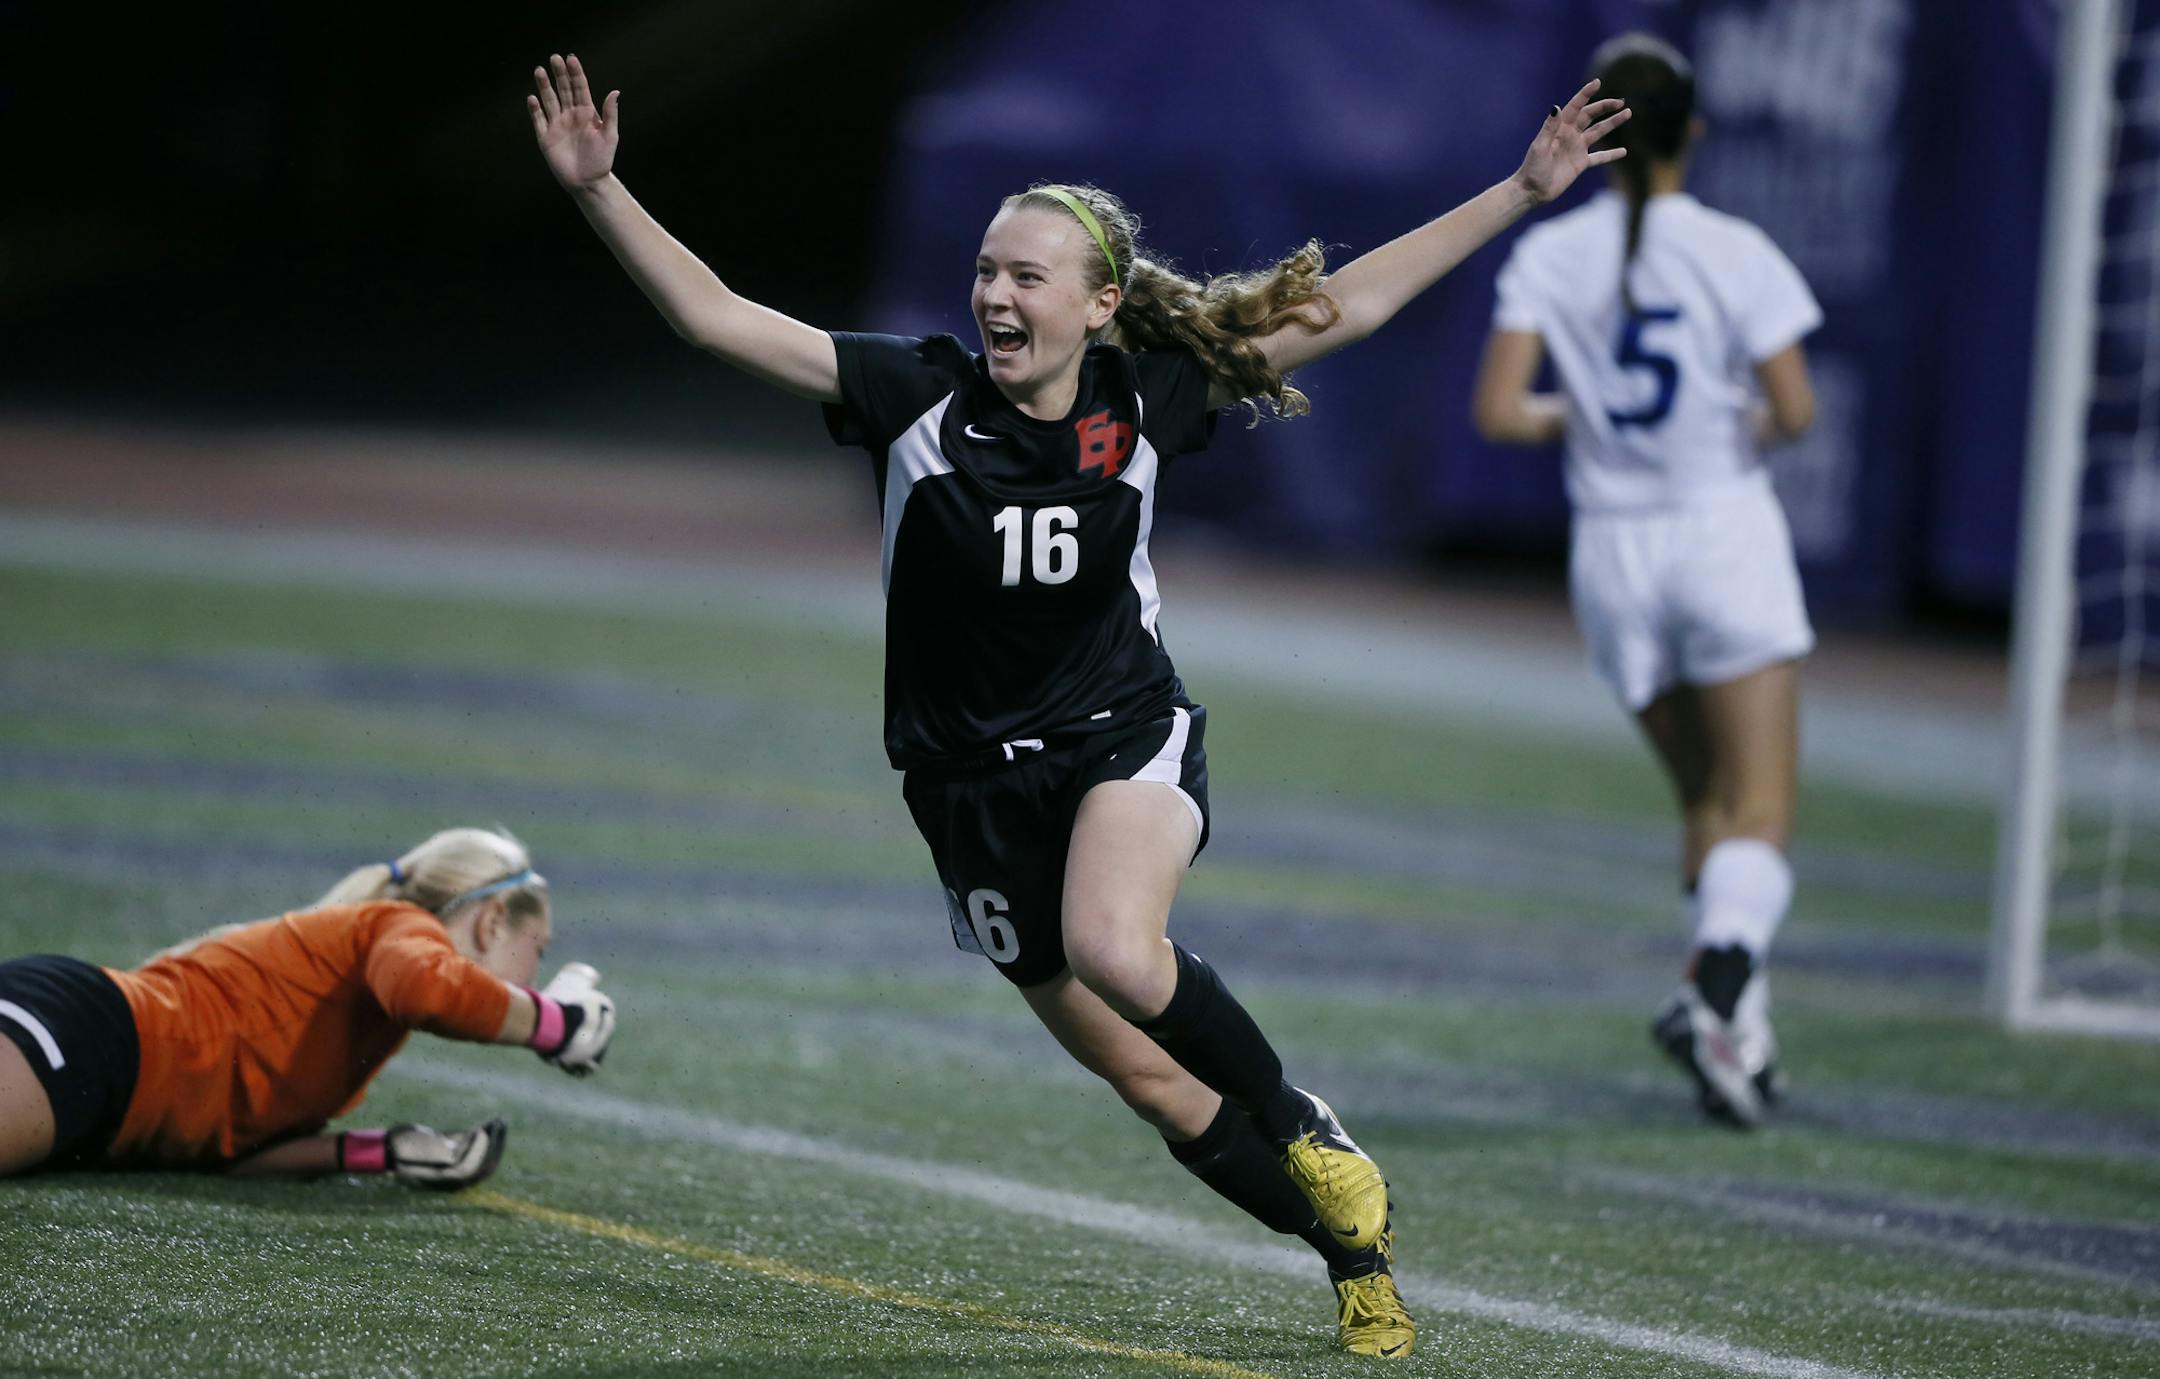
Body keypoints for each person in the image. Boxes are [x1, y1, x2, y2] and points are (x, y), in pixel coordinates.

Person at [528, 52, 1625, 1355]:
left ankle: (1303, 1124)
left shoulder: (1147, 399)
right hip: (966, 791)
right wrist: (602, 192)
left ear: (1100, 304)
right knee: (1154, 1079)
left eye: (1025, 275)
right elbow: (716, 317)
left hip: (1123, 734)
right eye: (986, 269)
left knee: (1119, 944)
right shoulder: (917, 396)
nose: (995, 291)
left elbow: (1358, 301)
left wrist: (1519, 188)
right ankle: (1354, 1251)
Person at [1470, 33, 1820, 1129]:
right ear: (1695, 131)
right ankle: (1714, 986)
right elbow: (1797, 411)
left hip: (1613, 553)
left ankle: (1736, 1042)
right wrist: (1717, 427)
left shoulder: (1551, 255)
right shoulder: (1734, 248)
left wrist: (1591, 416)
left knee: (1704, 802)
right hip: (1718, 529)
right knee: (1757, 806)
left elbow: (1498, 410)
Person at [0, 827, 616, 1186]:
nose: (533, 977)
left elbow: (236, 1151)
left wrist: (384, 1151)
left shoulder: (365, 1018)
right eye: (539, 952)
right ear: (490, 923)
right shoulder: (397, 928)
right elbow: (432, 993)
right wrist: (554, 1022)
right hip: (91, 1034)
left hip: (100, 1098)